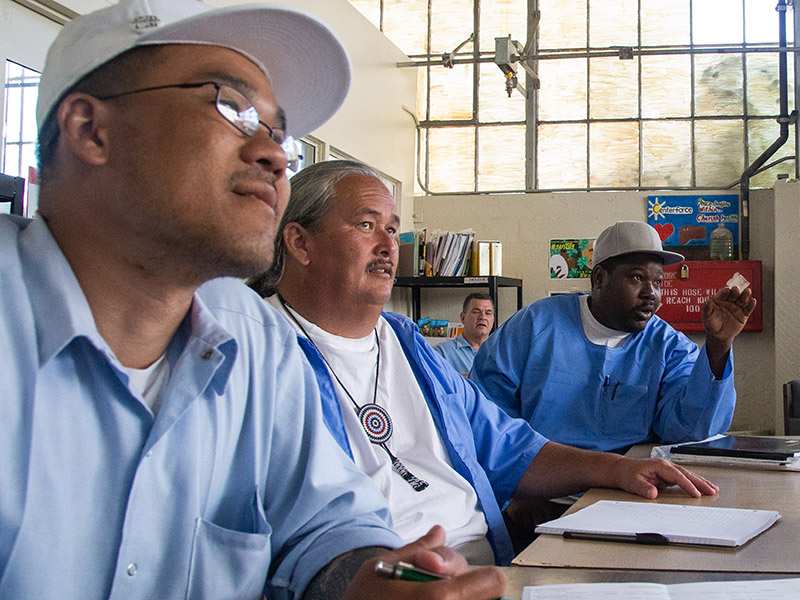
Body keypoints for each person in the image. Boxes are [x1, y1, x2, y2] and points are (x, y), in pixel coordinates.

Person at [0, 1, 509, 599]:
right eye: (229, 107)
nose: (272, 156)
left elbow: (326, 525)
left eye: (279, 135)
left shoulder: (254, 340)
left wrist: (367, 579)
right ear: (91, 129)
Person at [248, 160, 719, 568]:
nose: (390, 246)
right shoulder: (255, 356)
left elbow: (505, 444)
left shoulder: (406, 344)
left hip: (492, 562)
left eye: (393, 229)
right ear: (299, 242)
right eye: (367, 225)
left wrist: (618, 470)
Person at [471, 220, 757, 453]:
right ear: (599, 278)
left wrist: (719, 346)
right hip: (540, 487)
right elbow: (486, 412)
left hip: (628, 490)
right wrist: (517, 487)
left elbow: (689, 430)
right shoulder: (537, 325)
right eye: (636, 278)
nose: (651, 294)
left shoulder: (669, 347)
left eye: (657, 282)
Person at [435, 293, 494, 375]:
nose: (483, 317)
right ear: (463, 317)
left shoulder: (502, 352)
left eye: (488, 313)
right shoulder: (443, 352)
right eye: (476, 312)